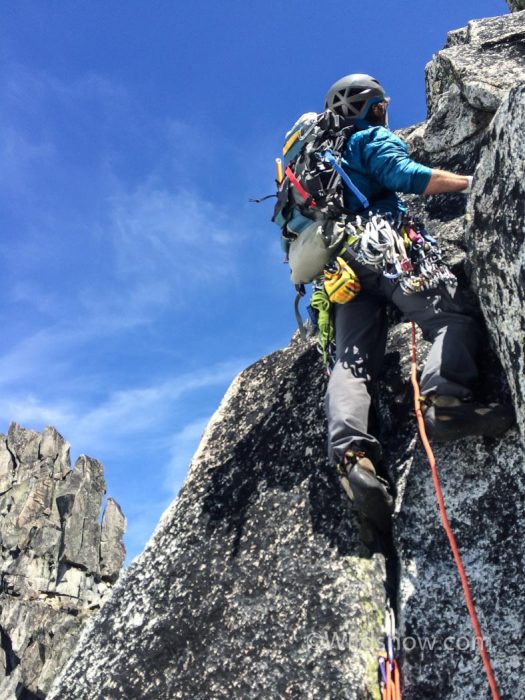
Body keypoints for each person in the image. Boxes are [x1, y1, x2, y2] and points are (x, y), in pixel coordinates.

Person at [321, 74, 515, 533]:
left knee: (352, 362)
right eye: (381, 104)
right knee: (451, 317)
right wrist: (476, 181)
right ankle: (445, 403)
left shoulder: (324, 161)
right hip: (383, 246)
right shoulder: (369, 138)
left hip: (339, 270)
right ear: (371, 107)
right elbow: (404, 175)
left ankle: (353, 456)